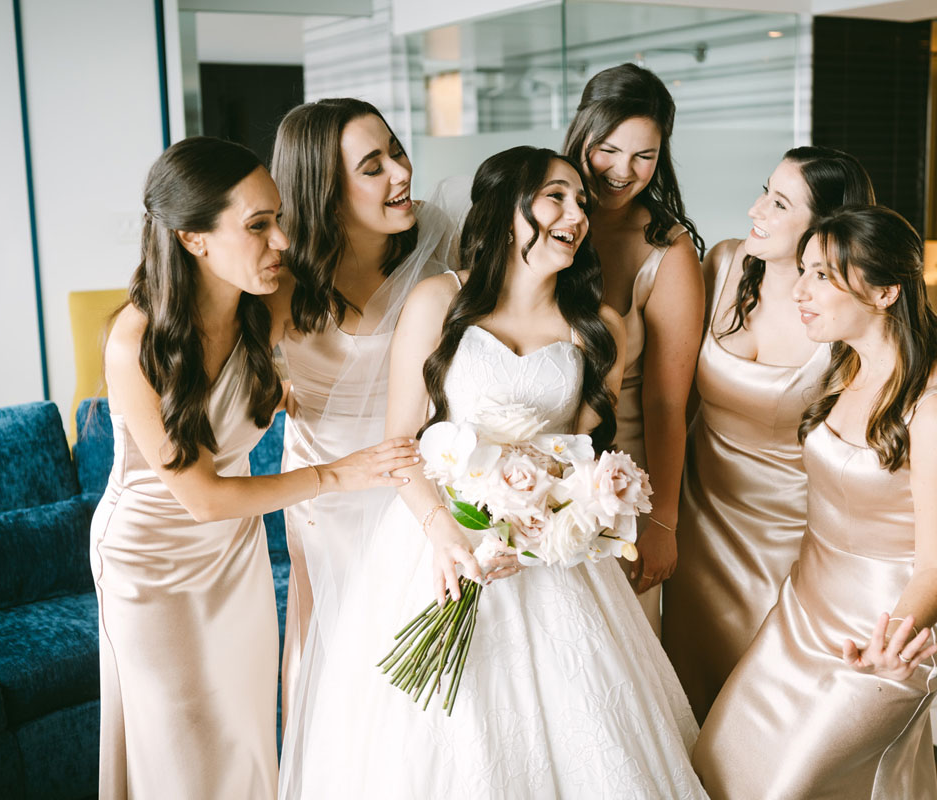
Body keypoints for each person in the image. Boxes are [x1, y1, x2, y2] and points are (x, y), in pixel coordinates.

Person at [279, 147, 704, 799]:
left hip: (546, 559)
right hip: (435, 546)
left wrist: (562, 513)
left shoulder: (600, 327)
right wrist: (447, 535)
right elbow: (400, 445)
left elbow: (583, 457)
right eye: (556, 197)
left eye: (580, 203)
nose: (576, 214)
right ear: (508, 213)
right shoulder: (439, 301)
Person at [91, 136, 418, 800]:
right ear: (193, 239)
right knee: (178, 749)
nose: (281, 242)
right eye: (259, 226)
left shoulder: (270, 298)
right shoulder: (137, 342)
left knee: (244, 735)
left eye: (280, 218)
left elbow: (371, 305)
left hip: (233, 557)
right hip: (150, 565)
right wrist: (337, 474)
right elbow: (204, 499)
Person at [693, 205, 937, 799]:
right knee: (718, 767)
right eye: (803, 270)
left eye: (821, 275)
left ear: (884, 291)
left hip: (884, 633)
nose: (798, 289)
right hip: (801, 612)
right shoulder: (842, 367)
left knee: (786, 788)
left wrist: (889, 642)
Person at [662, 146, 875, 719]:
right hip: (698, 522)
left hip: (788, 540)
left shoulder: (844, 317)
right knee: (686, 696)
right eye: (765, 190)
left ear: (822, 231)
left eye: (779, 203)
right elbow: (669, 394)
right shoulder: (723, 265)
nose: (756, 208)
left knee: (765, 709)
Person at [266, 99, 454, 729]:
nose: (401, 173)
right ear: (325, 190)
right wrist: (266, 377)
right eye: (372, 167)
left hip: (426, 475)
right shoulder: (280, 275)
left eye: (396, 152)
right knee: (343, 660)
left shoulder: (441, 238)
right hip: (332, 491)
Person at [561, 63, 705, 635]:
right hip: (521, 475)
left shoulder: (666, 253)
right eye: (609, 150)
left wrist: (661, 522)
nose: (624, 171)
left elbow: (670, 405)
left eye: (644, 156)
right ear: (581, 136)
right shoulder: (539, 217)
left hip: (619, 483)